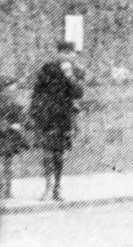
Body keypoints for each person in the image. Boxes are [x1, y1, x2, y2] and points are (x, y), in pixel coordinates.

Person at [30, 42, 84, 201]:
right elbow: (37, 91)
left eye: (71, 54)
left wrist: (70, 76)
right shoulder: (48, 68)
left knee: (59, 154)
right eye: (65, 53)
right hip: (46, 116)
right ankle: (47, 185)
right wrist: (35, 113)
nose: (69, 56)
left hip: (64, 116)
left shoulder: (77, 70)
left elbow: (79, 93)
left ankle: (57, 187)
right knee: (46, 152)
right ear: (59, 53)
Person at [0, 76, 28, 199]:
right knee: (5, 164)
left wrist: (20, 123)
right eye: (12, 85)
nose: (14, 88)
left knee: (7, 164)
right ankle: (4, 189)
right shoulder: (6, 99)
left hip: (9, 136)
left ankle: (7, 190)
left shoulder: (14, 99)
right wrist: (11, 125)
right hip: (4, 134)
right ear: (5, 87)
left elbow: (21, 115)